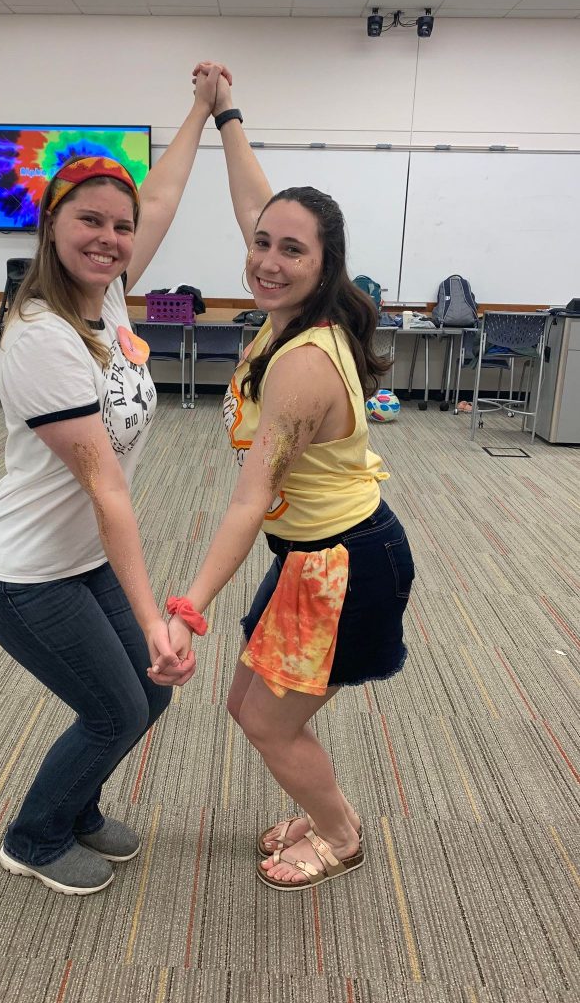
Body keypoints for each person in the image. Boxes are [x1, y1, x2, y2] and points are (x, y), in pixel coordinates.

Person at [0, 65, 226, 896]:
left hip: (74, 558)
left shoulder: (105, 299)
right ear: (50, 223)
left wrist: (202, 111)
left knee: (147, 699)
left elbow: (164, 195)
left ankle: (75, 810)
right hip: (20, 572)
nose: (110, 238)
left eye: (121, 226)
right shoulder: (42, 334)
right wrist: (152, 618)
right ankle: (34, 838)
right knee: (117, 707)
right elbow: (108, 490)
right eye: (90, 222)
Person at [152, 64, 415, 892]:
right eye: (261, 243)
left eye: (289, 250)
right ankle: (318, 803)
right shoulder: (295, 309)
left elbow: (246, 500)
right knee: (251, 710)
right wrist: (226, 114)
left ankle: (340, 834)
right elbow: (257, 202)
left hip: (343, 563)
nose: (266, 259)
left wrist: (187, 606)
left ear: (325, 264)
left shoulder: (304, 361)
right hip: (309, 556)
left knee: (267, 720)